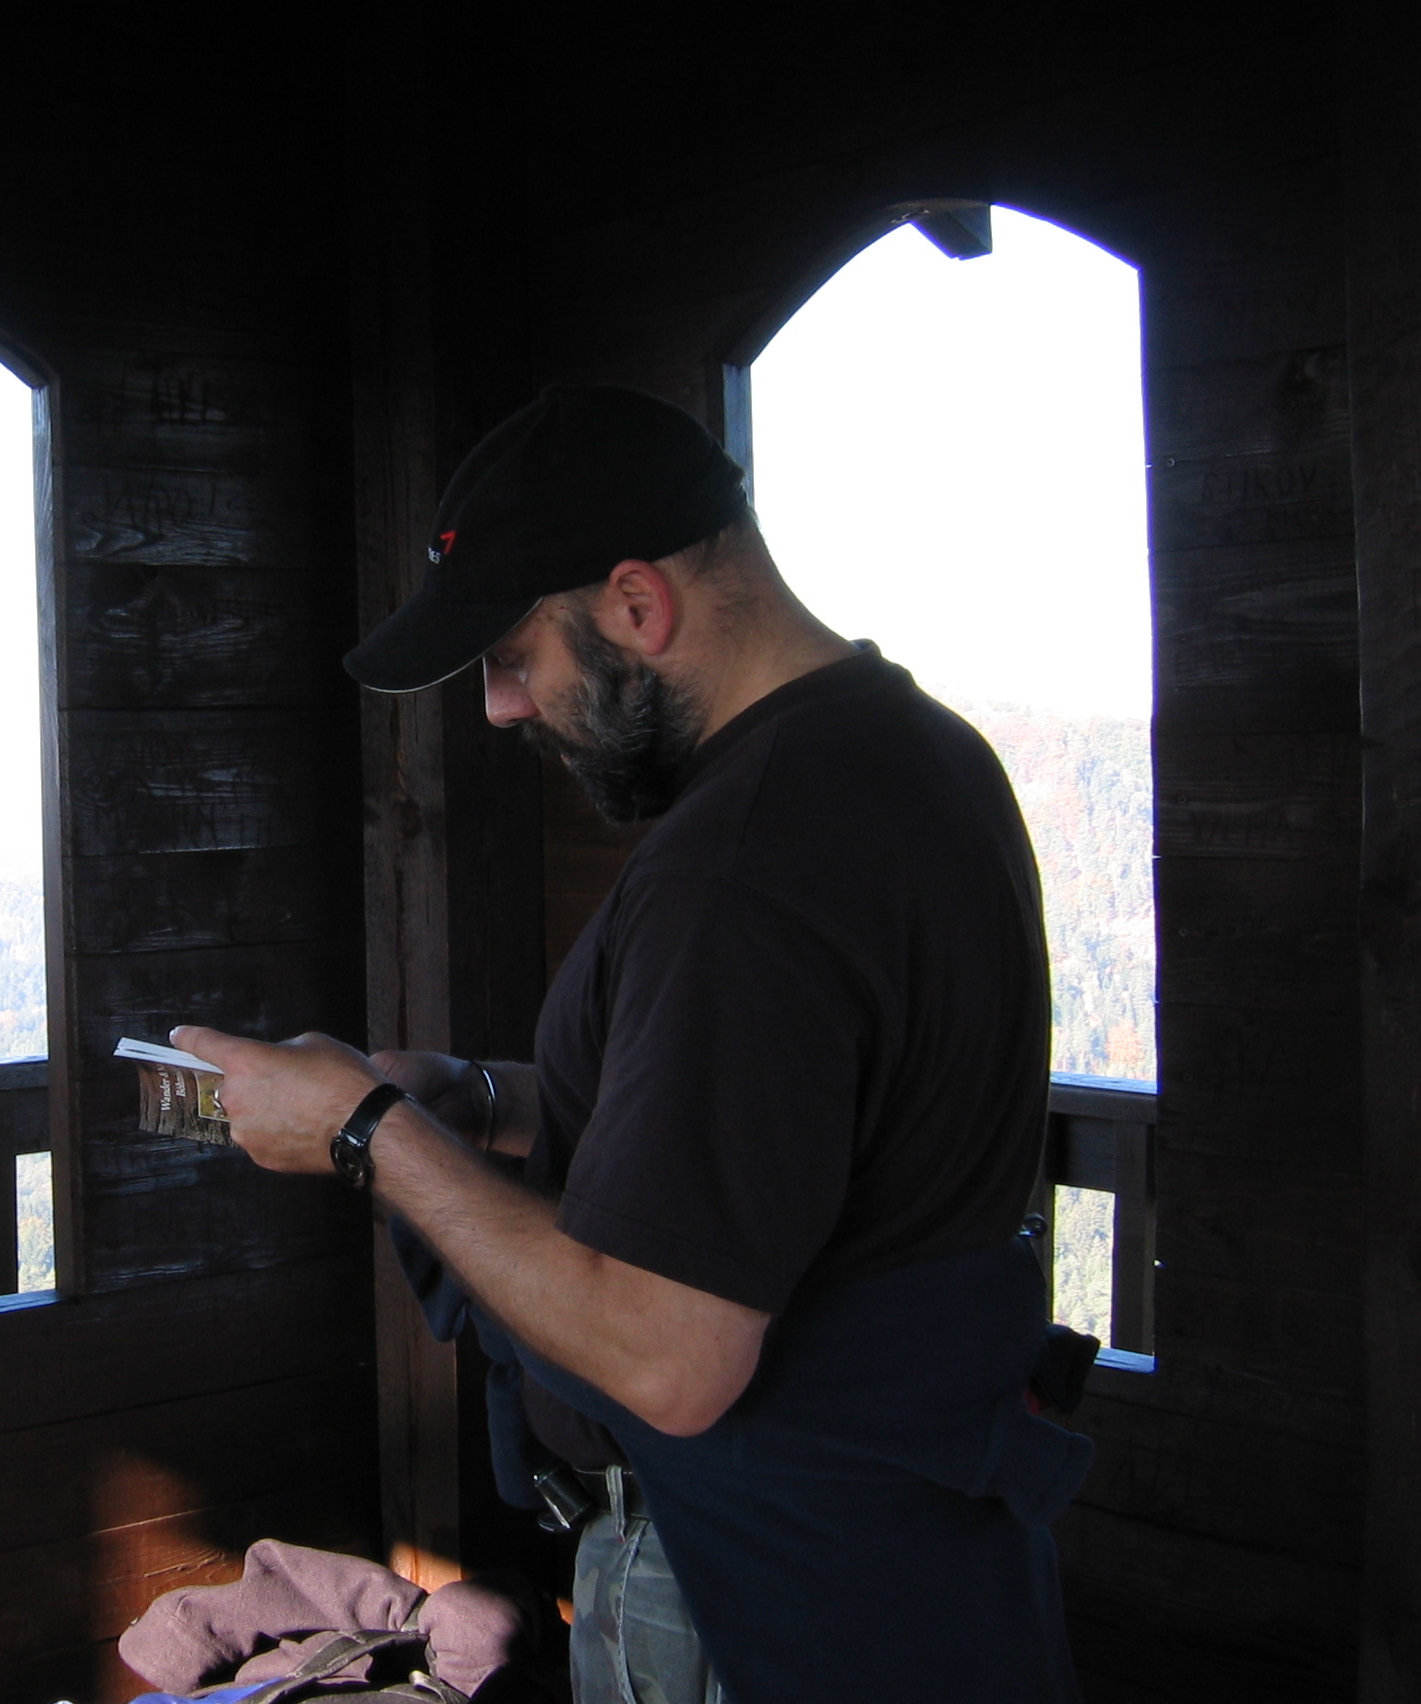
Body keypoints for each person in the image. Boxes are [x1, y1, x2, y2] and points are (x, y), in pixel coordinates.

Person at [175, 386, 1090, 1703]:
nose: (500, 709)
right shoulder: (917, 757)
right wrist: (472, 1101)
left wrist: (366, 1135)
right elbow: (779, 1127)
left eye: (511, 656)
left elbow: (671, 1360)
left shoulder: (744, 862)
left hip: (768, 1594)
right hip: (922, 1564)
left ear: (636, 605)